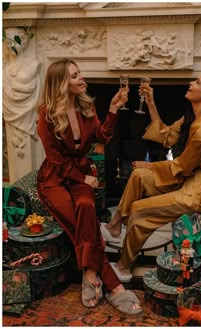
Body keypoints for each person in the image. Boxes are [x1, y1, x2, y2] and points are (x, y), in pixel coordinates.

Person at [102, 70, 201, 282]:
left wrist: (150, 165)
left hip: (199, 190)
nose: (190, 83)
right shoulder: (194, 116)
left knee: (139, 210)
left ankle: (124, 267)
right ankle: (115, 225)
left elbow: (182, 167)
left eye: (196, 82)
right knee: (138, 176)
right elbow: (168, 136)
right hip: (188, 178)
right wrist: (151, 103)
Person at [37, 58, 142, 314]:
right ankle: (114, 286)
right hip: (54, 179)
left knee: (85, 204)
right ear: (61, 84)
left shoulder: (86, 107)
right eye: (75, 76)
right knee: (79, 224)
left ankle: (89, 274)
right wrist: (83, 179)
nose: (81, 78)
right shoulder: (46, 115)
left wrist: (114, 108)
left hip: (81, 174)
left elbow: (103, 136)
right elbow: (55, 159)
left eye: (80, 73)